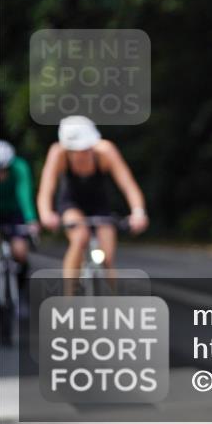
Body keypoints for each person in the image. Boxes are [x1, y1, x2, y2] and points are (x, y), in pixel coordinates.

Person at [36, 116, 148, 292]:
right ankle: (68, 299)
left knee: (108, 256)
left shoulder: (106, 151)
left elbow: (128, 185)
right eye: (76, 149)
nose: (82, 153)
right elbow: (46, 189)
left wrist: (138, 212)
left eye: (86, 148)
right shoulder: (58, 153)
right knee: (80, 237)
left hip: (100, 206)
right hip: (71, 203)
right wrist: (46, 214)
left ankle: (113, 303)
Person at [0, 139, 39, 339]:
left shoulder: (19, 168)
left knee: (20, 252)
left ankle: (20, 294)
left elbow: (25, 193)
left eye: (4, 170)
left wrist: (31, 220)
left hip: (14, 213)